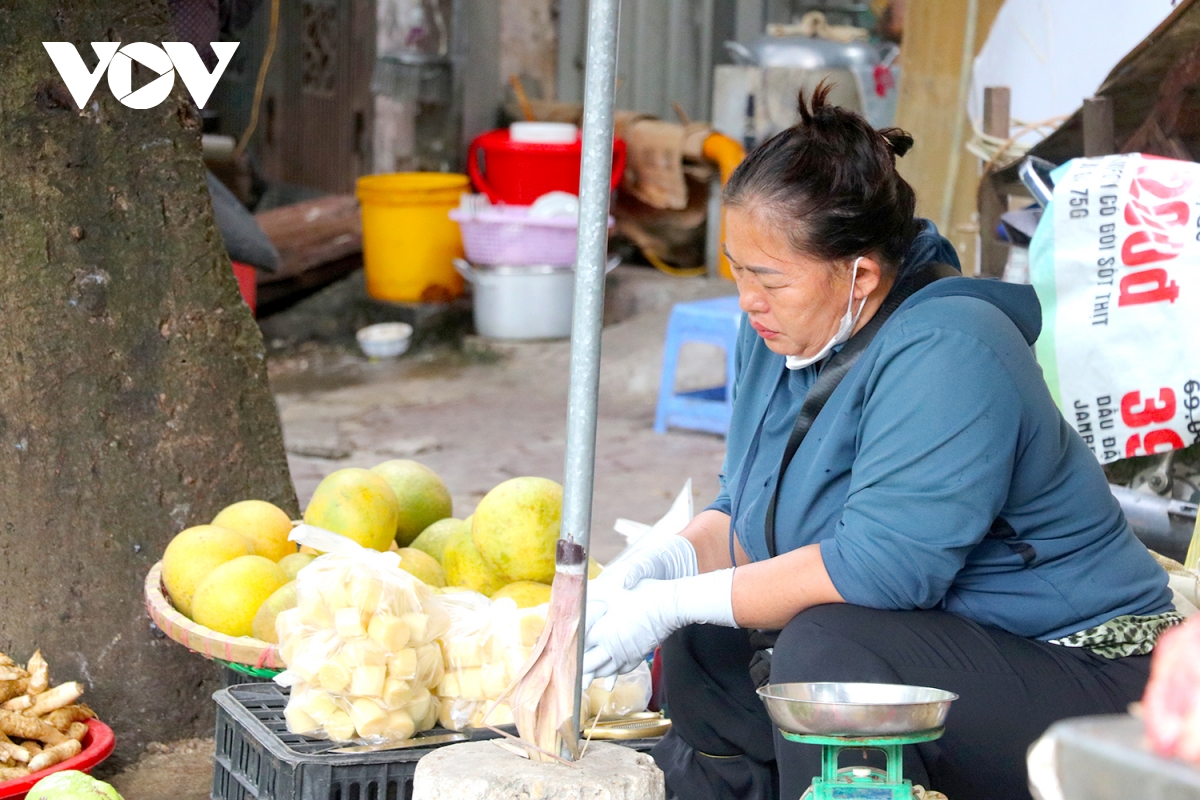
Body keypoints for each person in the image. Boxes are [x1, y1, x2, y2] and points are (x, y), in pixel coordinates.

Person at [582, 84, 1178, 800]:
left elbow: (887, 570)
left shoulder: (953, 350)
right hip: (946, 644)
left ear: (860, 273)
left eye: (769, 279)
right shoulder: (780, 332)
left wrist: (673, 600)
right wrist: (652, 573)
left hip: (1078, 671)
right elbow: (745, 516)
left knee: (830, 659)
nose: (747, 300)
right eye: (738, 270)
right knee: (701, 630)